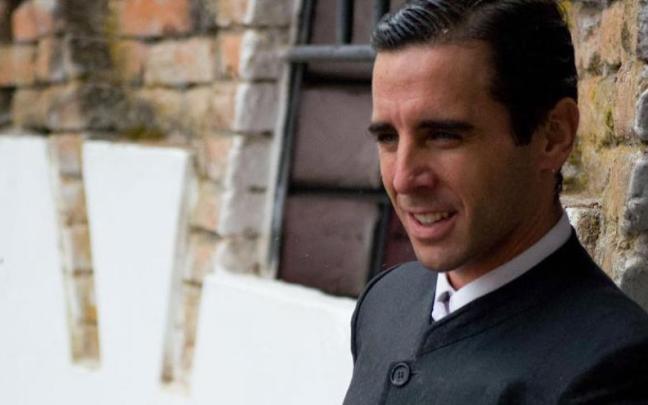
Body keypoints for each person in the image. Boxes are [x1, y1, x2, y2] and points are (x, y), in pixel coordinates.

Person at [343, 0, 648, 403]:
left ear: (552, 136)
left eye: (444, 136)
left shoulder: (612, 366)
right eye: (388, 138)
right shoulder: (385, 302)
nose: (403, 178)